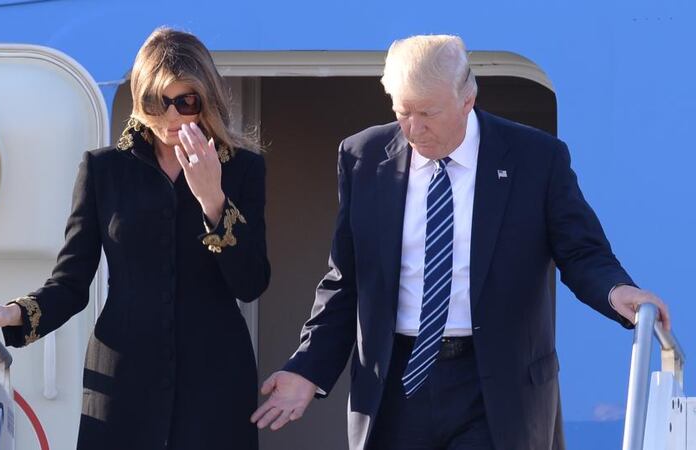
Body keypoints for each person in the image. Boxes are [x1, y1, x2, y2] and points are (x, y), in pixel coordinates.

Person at [251, 34, 670, 450]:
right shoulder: (363, 157)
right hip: (397, 383)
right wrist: (308, 368)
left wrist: (617, 291)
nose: (414, 128)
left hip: (494, 386)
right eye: (403, 112)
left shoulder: (535, 158)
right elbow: (346, 279)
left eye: (427, 113)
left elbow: (581, 251)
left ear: (467, 99)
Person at [0, 27, 269, 450]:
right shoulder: (104, 170)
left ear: (208, 99)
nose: (172, 116)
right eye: (157, 102)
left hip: (214, 377)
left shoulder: (242, 169)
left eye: (186, 101)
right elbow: (71, 283)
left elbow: (251, 283)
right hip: (123, 379)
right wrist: (13, 313)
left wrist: (213, 201)